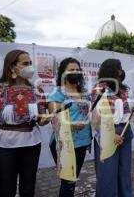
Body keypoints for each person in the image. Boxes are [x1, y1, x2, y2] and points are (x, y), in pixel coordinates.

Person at [0, 49, 49, 197]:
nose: (30, 67)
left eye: (31, 63)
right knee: (6, 191)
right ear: (12, 67)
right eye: (25, 63)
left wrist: (46, 119)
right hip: (4, 147)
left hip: (32, 145)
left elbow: (42, 118)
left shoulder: (37, 90)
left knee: (28, 190)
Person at [47, 57, 92, 197]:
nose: (76, 72)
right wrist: (72, 125)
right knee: (68, 181)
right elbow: (54, 119)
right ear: (62, 73)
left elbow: (89, 113)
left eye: (78, 69)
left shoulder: (84, 92)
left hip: (82, 142)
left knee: (73, 179)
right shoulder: (57, 94)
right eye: (71, 69)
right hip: (65, 144)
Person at [92, 58, 133, 197]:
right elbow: (96, 118)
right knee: (107, 174)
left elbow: (125, 112)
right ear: (111, 70)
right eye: (118, 68)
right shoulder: (99, 89)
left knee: (124, 171)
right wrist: (111, 134)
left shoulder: (121, 89)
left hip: (125, 132)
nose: (121, 71)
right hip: (108, 134)